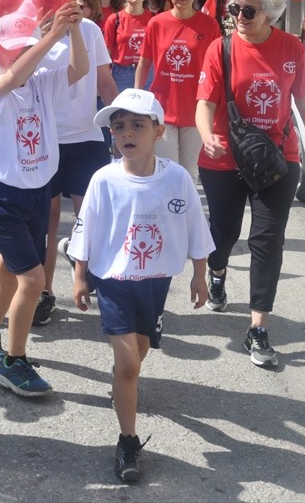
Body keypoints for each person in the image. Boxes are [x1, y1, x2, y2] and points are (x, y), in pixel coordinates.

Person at [68, 88, 212, 483]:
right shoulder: (104, 179)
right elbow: (87, 227)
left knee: (140, 351)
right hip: (112, 279)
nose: (126, 133)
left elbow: (195, 226)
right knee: (130, 364)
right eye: (118, 127)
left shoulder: (177, 179)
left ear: (159, 130)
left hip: (155, 281)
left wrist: (201, 273)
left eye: (137, 125)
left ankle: (121, 381)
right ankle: (127, 442)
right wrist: (81, 274)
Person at [194, 0, 305, 368]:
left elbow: (304, 100)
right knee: (225, 231)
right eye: (233, 7)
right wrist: (205, 135)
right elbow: (205, 102)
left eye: (247, 10)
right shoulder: (222, 48)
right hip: (224, 157)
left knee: (267, 241)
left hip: (277, 158)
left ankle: (258, 327)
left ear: (269, 12)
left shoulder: (291, 49)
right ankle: (217, 272)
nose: (238, 15)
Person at [0, 1, 87, 397]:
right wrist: (52, 34)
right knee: (34, 278)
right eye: (17, 48)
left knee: (10, 270)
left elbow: (80, 70)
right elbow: (10, 79)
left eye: (29, 46)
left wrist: (73, 29)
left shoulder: (42, 82)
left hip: (37, 191)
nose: (24, 54)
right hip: (1, 196)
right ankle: (14, 361)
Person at [37, 3, 119, 327]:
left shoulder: (89, 30)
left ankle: (81, 258)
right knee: (49, 219)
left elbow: (104, 81)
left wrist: (124, 121)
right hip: (44, 139)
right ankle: (44, 291)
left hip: (86, 136)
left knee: (90, 216)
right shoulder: (32, 32)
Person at [135, 0, 221, 181]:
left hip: (197, 111)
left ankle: (186, 215)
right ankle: (167, 215)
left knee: (189, 174)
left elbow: (217, 68)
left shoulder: (209, 25)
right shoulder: (156, 23)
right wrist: (136, 99)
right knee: (166, 171)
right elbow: (144, 63)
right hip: (163, 110)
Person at [103, 0, 153, 92]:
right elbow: (107, 52)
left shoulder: (154, 19)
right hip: (121, 73)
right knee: (122, 109)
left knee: (144, 109)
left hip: (148, 72)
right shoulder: (114, 19)